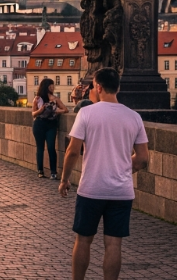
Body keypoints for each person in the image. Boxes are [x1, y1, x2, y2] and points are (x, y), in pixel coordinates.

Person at [59, 68, 149, 280]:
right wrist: (126, 168)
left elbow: (73, 151)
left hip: (91, 188)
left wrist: (64, 179)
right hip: (121, 191)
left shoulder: (87, 113)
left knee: (83, 240)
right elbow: (143, 158)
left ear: (98, 87)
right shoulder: (134, 117)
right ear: (117, 87)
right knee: (114, 243)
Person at [31, 78, 67, 179]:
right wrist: (41, 110)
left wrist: (55, 111)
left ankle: (53, 172)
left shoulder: (55, 99)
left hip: (51, 125)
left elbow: (65, 109)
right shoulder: (37, 99)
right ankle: (40, 171)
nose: (53, 87)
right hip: (39, 124)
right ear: (46, 87)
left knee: (51, 147)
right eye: (51, 86)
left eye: (53, 85)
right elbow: (33, 114)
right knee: (40, 148)